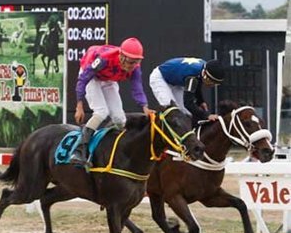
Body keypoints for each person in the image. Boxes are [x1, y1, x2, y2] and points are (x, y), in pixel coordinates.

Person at [70, 37, 154, 166]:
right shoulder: (104, 59)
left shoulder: (135, 67)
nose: (133, 66)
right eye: (131, 62)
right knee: (101, 112)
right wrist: (79, 105)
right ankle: (78, 150)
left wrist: (145, 107)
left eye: (136, 62)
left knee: (120, 119)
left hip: (108, 79)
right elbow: (84, 79)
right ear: (122, 56)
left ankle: (111, 150)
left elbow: (137, 87)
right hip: (91, 77)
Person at [149, 57, 224, 124]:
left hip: (175, 82)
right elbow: (188, 103)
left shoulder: (204, 69)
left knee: (186, 113)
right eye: (212, 82)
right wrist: (207, 115)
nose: (212, 86)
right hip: (160, 78)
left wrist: (201, 101)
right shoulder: (192, 77)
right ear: (205, 76)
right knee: (172, 111)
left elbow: (198, 84)